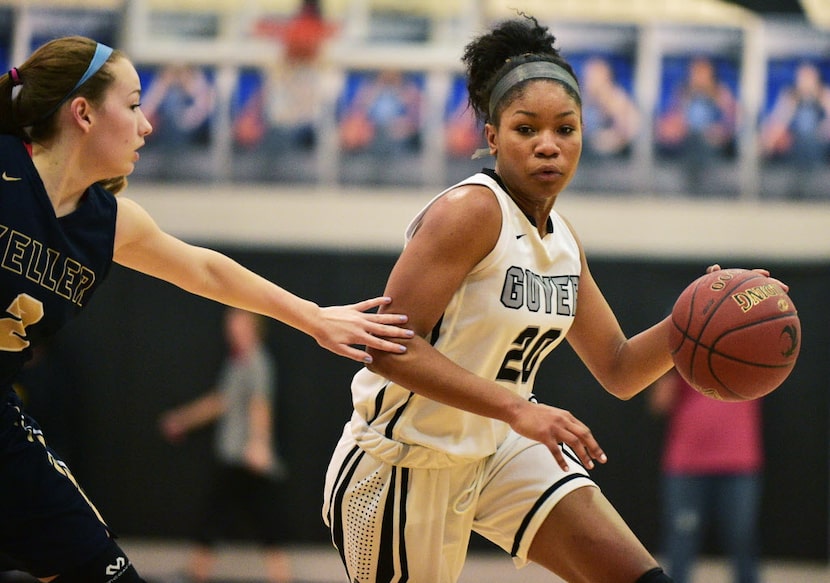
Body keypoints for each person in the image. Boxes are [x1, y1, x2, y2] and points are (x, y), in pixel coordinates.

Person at [320, 15, 772, 583]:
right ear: (492, 137)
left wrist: (704, 311)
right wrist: (518, 408)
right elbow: (386, 349)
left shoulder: (562, 241)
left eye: (565, 128)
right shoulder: (470, 213)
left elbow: (620, 368)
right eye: (526, 129)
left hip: (498, 449)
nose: (548, 146)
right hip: (404, 462)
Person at [0, 35, 413, 583]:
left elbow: (205, 270)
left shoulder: (110, 222)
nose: (147, 125)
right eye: (133, 104)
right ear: (83, 113)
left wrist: (312, 316)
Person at [160, 309, 291, 583]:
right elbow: (220, 401)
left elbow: (260, 405)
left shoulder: (257, 361)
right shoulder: (238, 362)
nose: (232, 329)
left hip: (244, 457)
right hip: (233, 455)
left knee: (235, 514)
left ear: (254, 328)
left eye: (239, 324)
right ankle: (200, 572)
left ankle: (200, 573)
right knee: (236, 514)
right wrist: (183, 420)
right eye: (231, 324)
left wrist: (258, 445)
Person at [649, 369, 763, 583]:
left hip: (738, 462)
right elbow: (660, 404)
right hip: (687, 465)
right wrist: (673, 367)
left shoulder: (751, 352)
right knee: (681, 541)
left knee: (742, 539)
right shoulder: (686, 355)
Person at [655, 56, 737, 195]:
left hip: (713, 141)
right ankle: (689, 185)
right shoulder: (683, 92)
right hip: (688, 139)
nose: (698, 77)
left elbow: (734, 119)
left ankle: (706, 186)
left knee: (703, 141)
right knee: (692, 139)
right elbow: (672, 119)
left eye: (702, 72)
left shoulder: (720, 92)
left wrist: (721, 131)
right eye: (695, 72)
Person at [760, 60, 830, 199]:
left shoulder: (824, 96)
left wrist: (823, 101)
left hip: (818, 144)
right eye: (802, 78)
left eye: (808, 78)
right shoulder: (790, 97)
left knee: (809, 140)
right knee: (801, 140)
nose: (804, 82)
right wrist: (768, 142)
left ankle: (813, 187)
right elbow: (777, 124)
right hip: (796, 145)